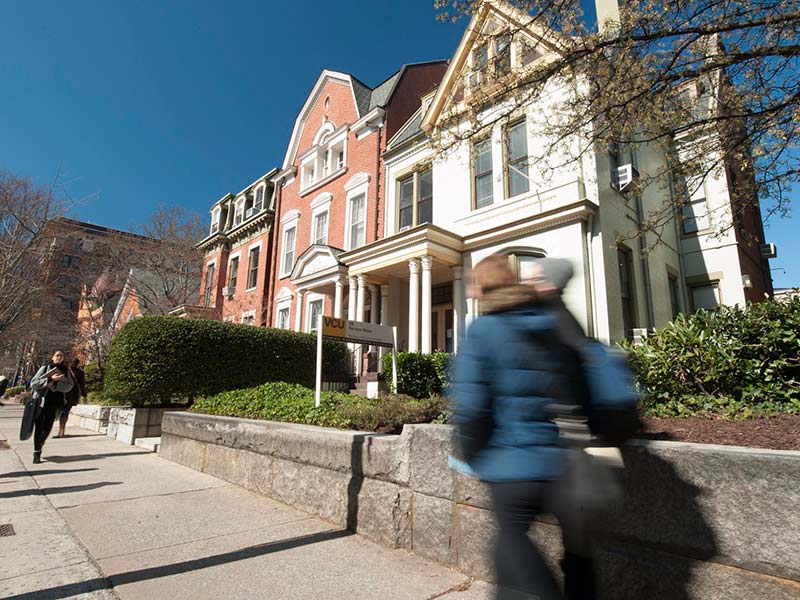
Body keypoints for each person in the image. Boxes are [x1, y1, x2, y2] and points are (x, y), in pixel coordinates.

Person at [451, 253, 637, 600]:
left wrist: (474, 455)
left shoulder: (484, 330)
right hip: (563, 465)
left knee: (510, 544)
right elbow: (583, 389)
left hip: (511, 466)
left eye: (474, 284)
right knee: (579, 552)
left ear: (484, 287)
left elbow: (472, 406)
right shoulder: (554, 325)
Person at [29, 350, 73, 464]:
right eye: (57, 356)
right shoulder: (44, 368)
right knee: (39, 427)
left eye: (61, 356)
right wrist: (50, 379)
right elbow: (33, 383)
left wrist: (57, 384)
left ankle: (41, 442)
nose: (59, 358)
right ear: (52, 357)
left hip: (55, 403)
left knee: (48, 427)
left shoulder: (65, 371)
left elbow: (69, 386)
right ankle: (36, 452)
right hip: (41, 402)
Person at [56, 358, 87, 438]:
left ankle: (61, 431)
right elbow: (82, 385)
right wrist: (84, 395)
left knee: (63, 411)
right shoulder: (80, 372)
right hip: (72, 395)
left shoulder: (65, 370)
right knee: (65, 411)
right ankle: (61, 431)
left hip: (63, 393)